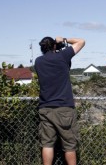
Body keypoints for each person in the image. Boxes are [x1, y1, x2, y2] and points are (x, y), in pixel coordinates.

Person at [35, 36, 85, 165]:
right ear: (54, 46)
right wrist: (64, 40)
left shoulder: (38, 61)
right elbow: (81, 42)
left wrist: (56, 46)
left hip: (45, 108)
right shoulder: (62, 56)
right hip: (64, 107)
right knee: (69, 144)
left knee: (47, 144)